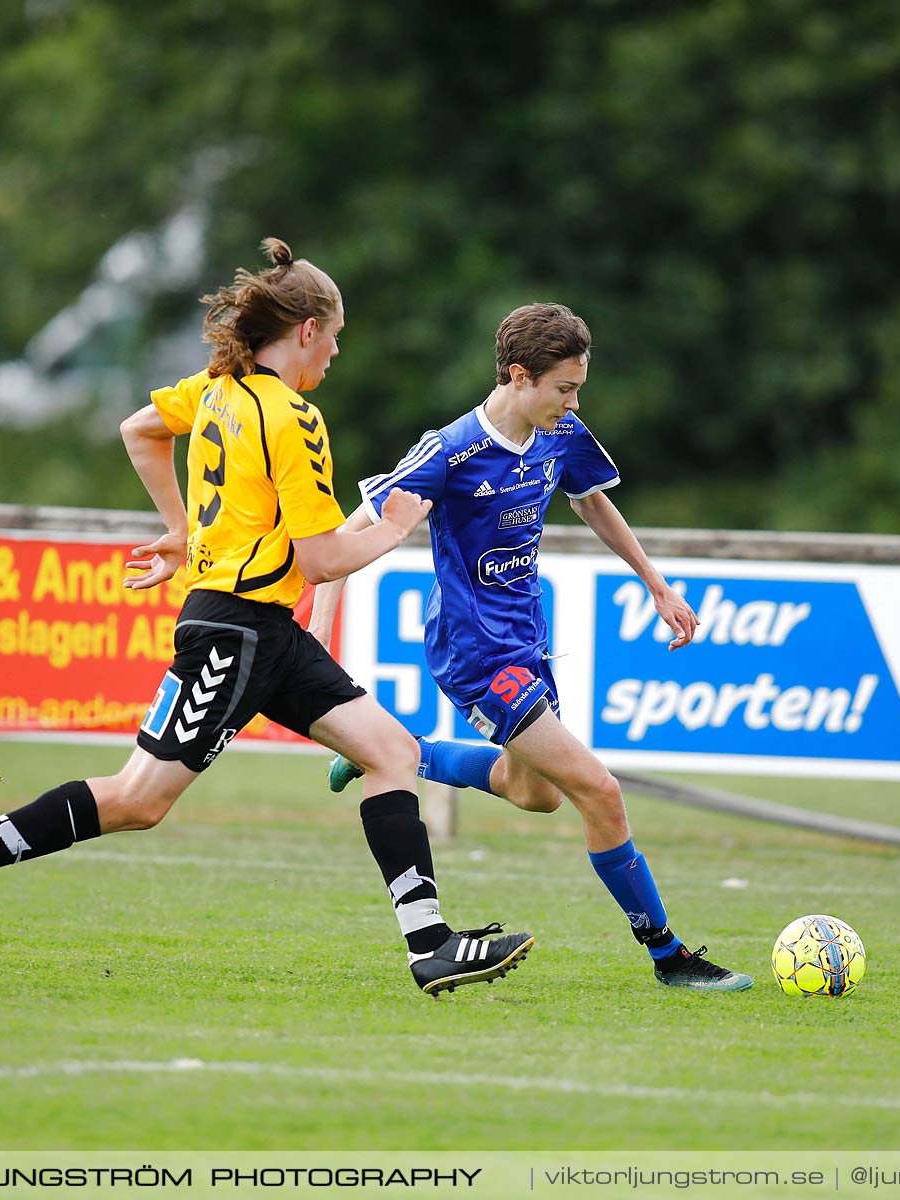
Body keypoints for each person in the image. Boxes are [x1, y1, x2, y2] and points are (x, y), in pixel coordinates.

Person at [0, 240, 533, 995]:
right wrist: (394, 529)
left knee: (389, 752)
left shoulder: (218, 388)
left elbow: (140, 431)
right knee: (137, 801)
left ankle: (430, 945)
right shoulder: (293, 417)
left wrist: (187, 532)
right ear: (305, 331)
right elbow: (322, 560)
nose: (334, 351)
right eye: (334, 335)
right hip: (234, 631)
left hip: (265, 630)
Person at [311, 303, 753, 991]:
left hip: (526, 641)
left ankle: (394, 754)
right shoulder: (451, 450)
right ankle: (670, 957)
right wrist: (317, 635)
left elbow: (591, 500)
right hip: (474, 653)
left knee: (535, 794)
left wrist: (656, 584)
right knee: (598, 792)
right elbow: (355, 524)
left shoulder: (559, 433)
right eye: (565, 389)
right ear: (520, 376)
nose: (575, 403)